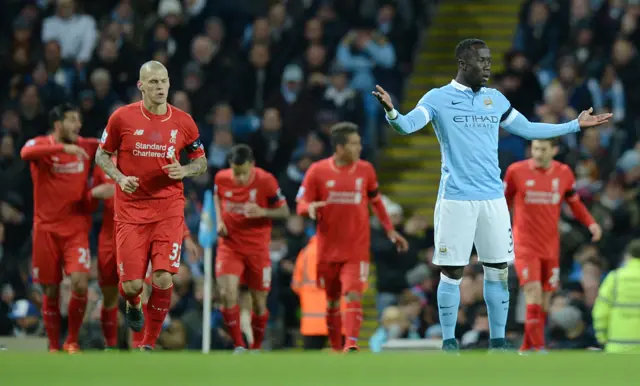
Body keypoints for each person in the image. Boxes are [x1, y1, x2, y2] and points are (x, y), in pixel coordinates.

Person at [372, 38, 612, 351]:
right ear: (462, 64)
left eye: (489, 61)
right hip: (456, 198)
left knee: (498, 268)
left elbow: (527, 128)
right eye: (480, 61)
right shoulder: (438, 98)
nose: (487, 67)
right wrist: (392, 112)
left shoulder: (495, 99)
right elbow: (407, 126)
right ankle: (448, 341)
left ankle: (498, 341)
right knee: (452, 270)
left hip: (493, 198)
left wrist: (573, 126)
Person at [95, 60, 207, 350]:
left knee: (162, 277)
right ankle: (133, 304)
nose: (160, 87)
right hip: (131, 211)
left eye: (164, 81)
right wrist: (119, 178)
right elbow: (102, 155)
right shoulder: (121, 118)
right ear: (141, 85)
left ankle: (148, 343)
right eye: (154, 82)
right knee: (132, 286)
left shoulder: (183, 121)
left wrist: (184, 171)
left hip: (168, 208)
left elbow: (201, 162)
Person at [296, 122, 409, 352]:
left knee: (354, 293)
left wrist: (389, 229)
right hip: (328, 249)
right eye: (354, 144)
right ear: (339, 147)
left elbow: (376, 200)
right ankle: (339, 346)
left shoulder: (365, 170)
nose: (359, 148)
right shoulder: (317, 171)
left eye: (359, 143)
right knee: (332, 301)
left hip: (356, 249)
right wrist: (308, 209)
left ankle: (351, 344)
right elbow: (301, 203)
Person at [504, 138, 601, 353]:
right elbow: (503, 202)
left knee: (545, 300)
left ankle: (527, 346)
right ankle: (539, 346)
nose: (537, 153)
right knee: (533, 292)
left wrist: (591, 223)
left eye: (543, 149)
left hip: (550, 246)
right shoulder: (516, 171)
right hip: (524, 245)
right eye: (535, 148)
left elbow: (574, 203)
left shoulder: (564, 173)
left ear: (554, 150)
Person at [19, 103, 100, 353]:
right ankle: (53, 345)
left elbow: (110, 144)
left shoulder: (86, 145)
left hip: (75, 229)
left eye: (79, 120)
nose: (78, 125)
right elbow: (24, 153)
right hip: (45, 230)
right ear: (58, 124)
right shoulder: (41, 145)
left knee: (79, 282)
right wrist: (63, 148)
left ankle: (72, 340)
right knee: (51, 289)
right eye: (72, 120)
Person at [214, 144, 290, 353]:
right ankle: (239, 344)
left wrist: (263, 211)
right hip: (229, 246)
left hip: (257, 249)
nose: (238, 178)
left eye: (243, 173)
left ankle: (255, 346)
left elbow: (284, 211)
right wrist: (219, 221)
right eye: (235, 172)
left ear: (252, 165)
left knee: (259, 303)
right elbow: (216, 196)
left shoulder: (266, 181)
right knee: (227, 294)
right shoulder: (221, 178)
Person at [592, 239, 640, 353]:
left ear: (628, 256)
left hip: (618, 346)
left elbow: (601, 311)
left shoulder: (615, 278)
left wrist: (601, 336)